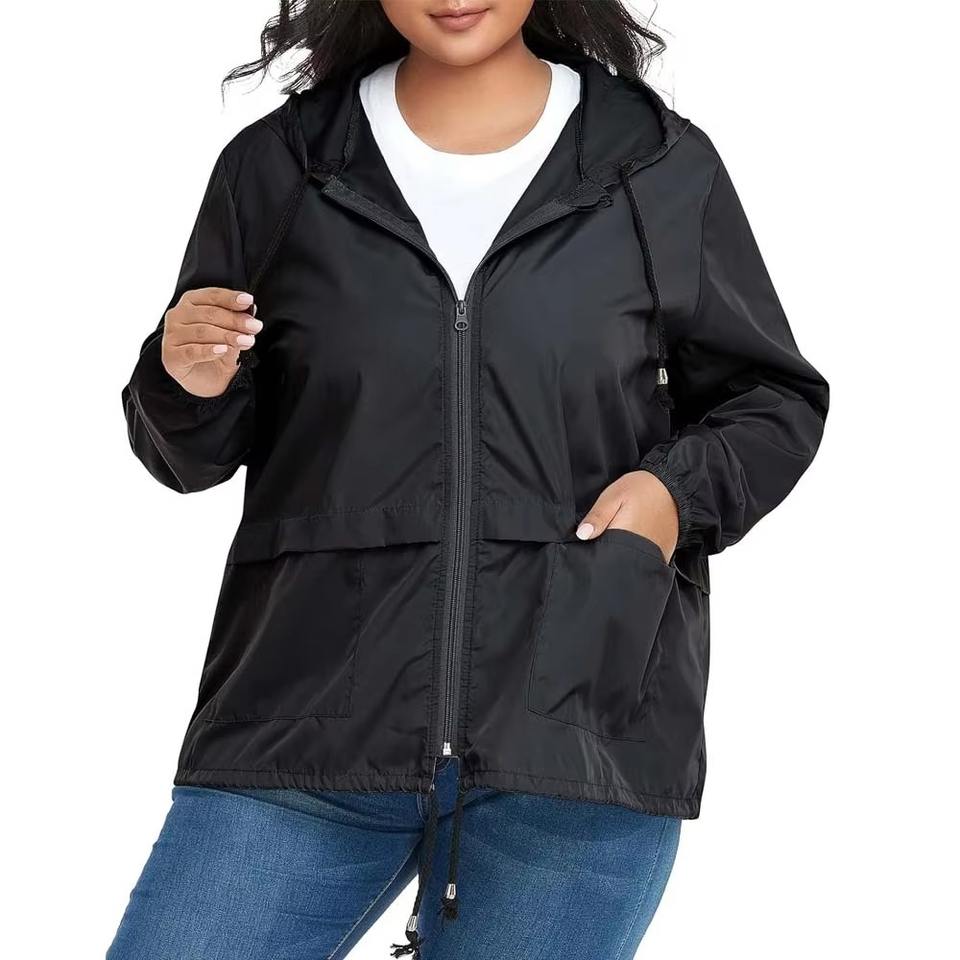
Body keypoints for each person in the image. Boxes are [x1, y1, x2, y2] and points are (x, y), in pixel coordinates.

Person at [109, 2, 829, 958]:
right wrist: (185, 380)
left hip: (573, 737)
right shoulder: (281, 166)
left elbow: (772, 400)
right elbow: (190, 453)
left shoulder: (654, 165)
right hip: (300, 724)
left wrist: (671, 496)